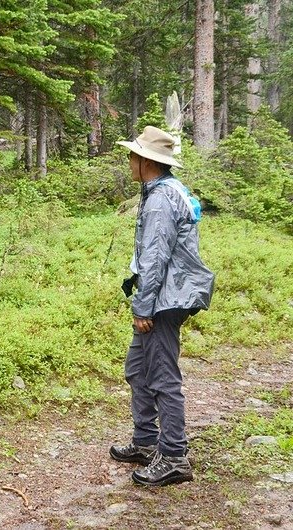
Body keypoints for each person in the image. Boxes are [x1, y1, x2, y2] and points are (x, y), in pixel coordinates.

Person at [109, 125, 215, 486]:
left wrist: (143, 307)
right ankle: (145, 440)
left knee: (161, 376)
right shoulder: (162, 190)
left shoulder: (159, 200)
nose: (128, 161)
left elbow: (155, 259)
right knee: (138, 369)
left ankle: (173, 456)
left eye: (132, 156)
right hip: (166, 294)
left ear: (145, 161)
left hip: (166, 299)